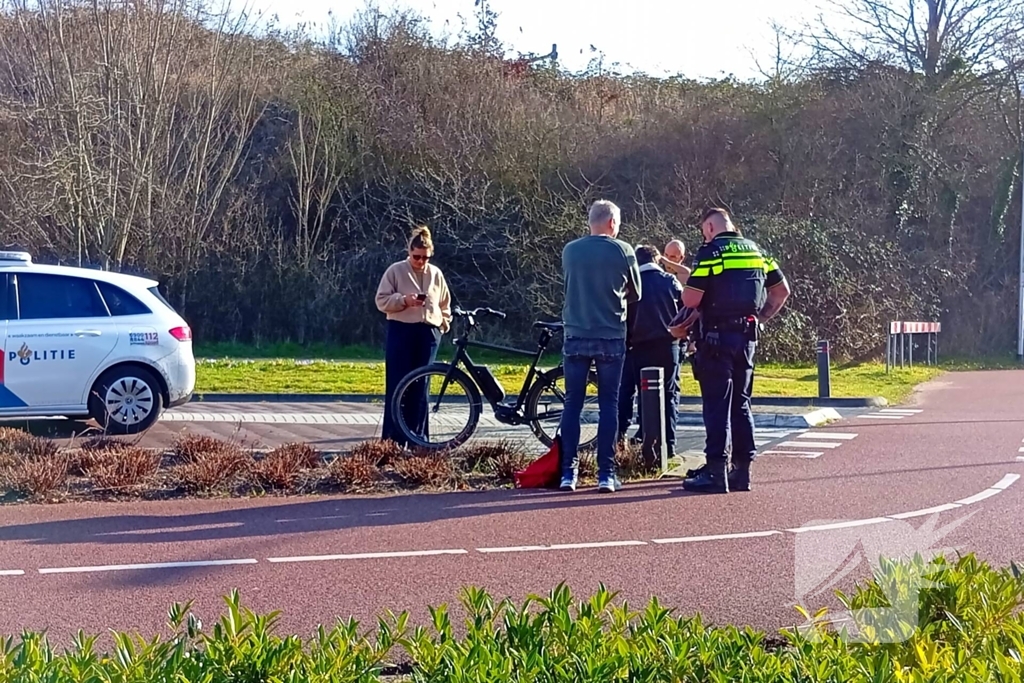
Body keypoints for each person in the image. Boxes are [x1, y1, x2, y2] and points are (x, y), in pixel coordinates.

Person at [679, 208, 790, 494]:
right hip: (747, 338)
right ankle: (742, 472)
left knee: (717, 405)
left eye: (704, 231)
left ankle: (716, 472)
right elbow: (781, 291)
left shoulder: (711, 253)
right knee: (741, 403)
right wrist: (761, 318)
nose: (704, 236)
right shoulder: (757, 251)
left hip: (716, 339)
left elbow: (690, 298)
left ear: (710, 227)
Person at [558, 199, 642, 493]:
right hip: (610, 333)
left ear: (590, 221)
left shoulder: (570, 250)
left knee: (572, 402)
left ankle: (568, 472)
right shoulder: (623, 250)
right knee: (609, 403)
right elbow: (636, 292)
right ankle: (606, 473)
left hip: (575, 332)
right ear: (612, 223)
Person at [374, 226, 453, 446]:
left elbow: (445, 303)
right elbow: (381, 300)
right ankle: (393, 441)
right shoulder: (395, 271)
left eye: (425, 257)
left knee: (421, 386)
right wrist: (403, 301)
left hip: (428, 333)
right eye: (416, 256)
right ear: (409, 251)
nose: (420, 261)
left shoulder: (436, 274)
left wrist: (443, 324)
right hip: (401, 330)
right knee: (398, 383)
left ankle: (419, 440)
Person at [617, 245, 684, 457]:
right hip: (668, 346)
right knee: (669, 395)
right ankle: (669, 446)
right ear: (657, 260)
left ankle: (643, 445)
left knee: (639, 394)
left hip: (638, 346)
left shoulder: (631, 284)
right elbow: (685, 307)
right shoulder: (670, 281)